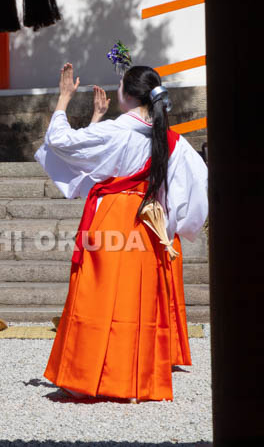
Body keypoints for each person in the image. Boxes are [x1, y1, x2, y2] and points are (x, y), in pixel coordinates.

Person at [36, 63, 208, 402]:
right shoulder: (171, 140)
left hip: (113, 218)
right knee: (136, 298)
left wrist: (63, 99)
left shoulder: (119, 131)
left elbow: (60, 141)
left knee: (95, 294)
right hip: (147, 222)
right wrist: (174, 224)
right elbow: (197, 181)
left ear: (126, 95)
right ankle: (135, 378)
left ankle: (86, 376)